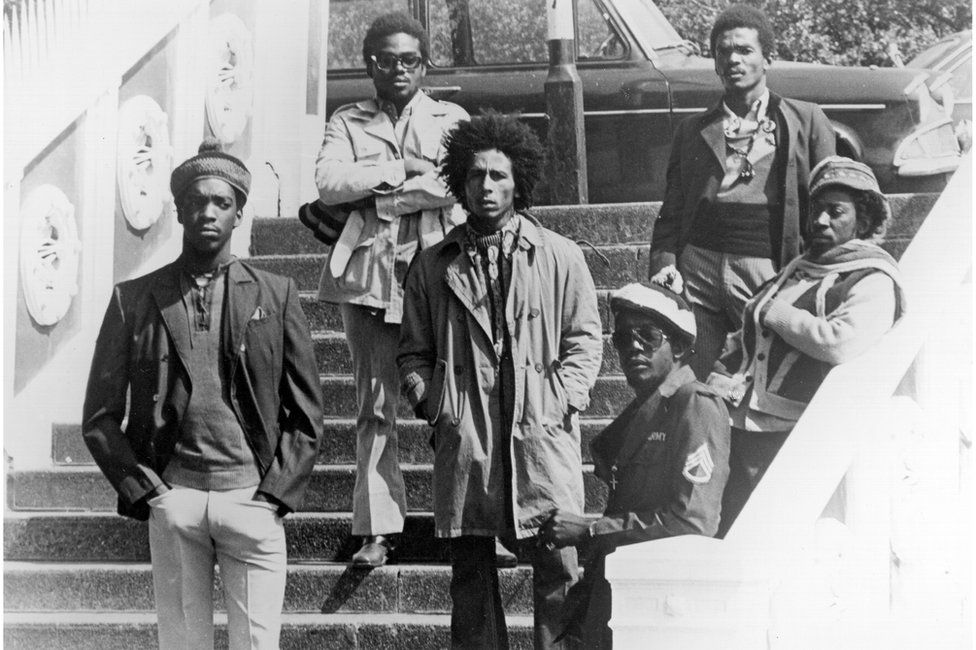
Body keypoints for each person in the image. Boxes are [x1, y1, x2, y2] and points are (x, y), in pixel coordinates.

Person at [82, 139, 324, 649]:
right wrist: (152, 494)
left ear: (239, 213)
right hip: (176, 501)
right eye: (197, 201)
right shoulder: (135, 299)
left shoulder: (275, 293)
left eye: (222, 202)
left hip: (250, 500)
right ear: (180, 210)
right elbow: (100, 417)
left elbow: (305, 415)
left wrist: (272, 499)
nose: (208, 212)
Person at [398, 112, 603, 649]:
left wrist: (563, 397)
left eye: (499, 176)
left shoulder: (559, 255)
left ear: (519, 182)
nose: (486, 187)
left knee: (559, 567)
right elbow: (412, 353)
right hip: (468, 433)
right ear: (459, 183)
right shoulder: (431, 265)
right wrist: (439, 405)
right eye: (475, 176)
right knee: (470, 577)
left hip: (540, 428)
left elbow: (585, 337)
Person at [300, 12, 470, 566]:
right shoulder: (346, 119)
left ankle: (468, 521)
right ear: (369, 64)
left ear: (425, 65)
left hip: (440, 274)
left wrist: (378, 193)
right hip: (368, 278)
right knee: (375, 404)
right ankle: (377, 528)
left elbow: (457, 181)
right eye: (385, 60)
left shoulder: (451, 117)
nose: (397, 69)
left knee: (458, 399)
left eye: (409, 60)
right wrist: (402, 169)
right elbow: (329, 183)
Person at [711, 155, 907, 536]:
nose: (820, 221)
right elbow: (746, 329)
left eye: (836, 212)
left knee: (769, 536)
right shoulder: (800, 267)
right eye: (816, 210)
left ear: (863, 220)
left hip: (793, 434)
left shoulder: (872, 278)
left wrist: (779, 314)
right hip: (741, 421)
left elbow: (839, 341)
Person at [648, 3, 836, 380]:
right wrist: (665, 264)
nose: (733, 59)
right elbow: (672, 209)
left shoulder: (806, 120)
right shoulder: (692, 130)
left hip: (765, 265)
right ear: (715, 62)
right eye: (724, 51)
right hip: (698, 266)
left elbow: (830, 202)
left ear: (768, 58)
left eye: (745, 50)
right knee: (691, 378)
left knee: (768, 372)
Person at [539, 281, 730, 649]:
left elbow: (692, 520)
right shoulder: (645, 411)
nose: (633, 348)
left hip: (662, 601)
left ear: (678, 346)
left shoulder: (696, 406)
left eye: (648, 335)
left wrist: (592, 531)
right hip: (626, 589)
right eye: (623, 340)